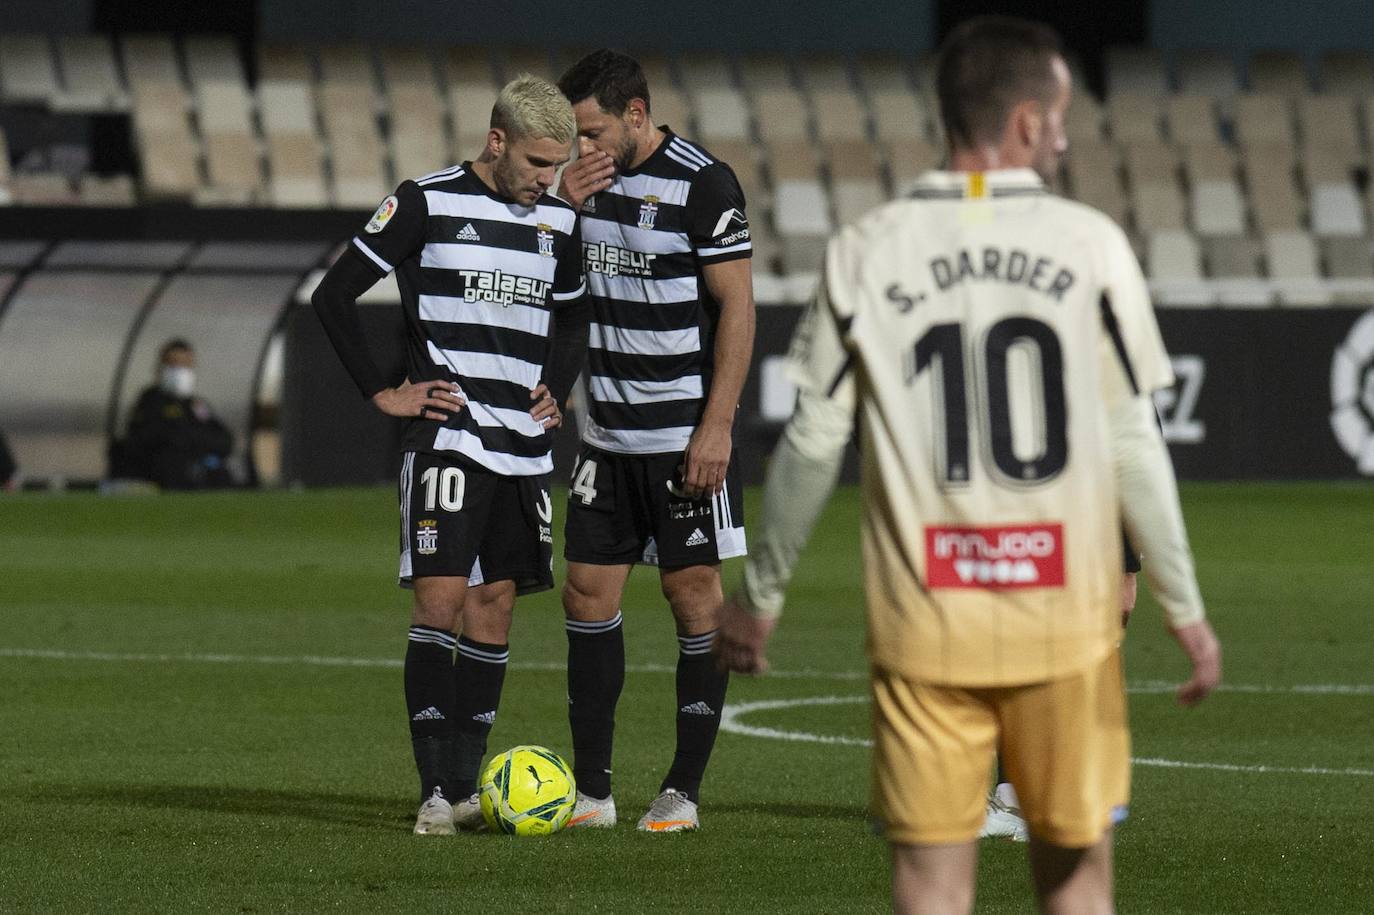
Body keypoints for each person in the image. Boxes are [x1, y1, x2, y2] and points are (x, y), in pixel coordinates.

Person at [715, 17, 1221, 914]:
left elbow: (812, 440)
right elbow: (1135, 442)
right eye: (1061, 115)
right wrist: (1182, 604)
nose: (1066, 135)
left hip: (925, 622)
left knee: (930, 883)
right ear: (1026, 121)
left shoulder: (865, 248)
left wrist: (761, 594)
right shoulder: (1090, 244)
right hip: (1065, 620)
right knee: (1076, 876)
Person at [310, 75, 588, 836]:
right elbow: (333, 296)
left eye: (557, 166)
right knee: (439, 600)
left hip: (522, 448)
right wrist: (383, 392)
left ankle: (467, 788)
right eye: (536, 162)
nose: (547, 180)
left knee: (495, 606)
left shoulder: (561, 223)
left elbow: (571, 321)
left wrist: (554, 389)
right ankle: (435, 792)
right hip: (449, 435)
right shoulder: (426, 202)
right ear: (496, 141)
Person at [552, 49, 756, 832]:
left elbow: (737, 307)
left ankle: (682, 789)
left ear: (636, 114)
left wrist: (718, 424)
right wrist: (562, 209)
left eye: (594, 131)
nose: (584, 148)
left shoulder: (704, 183)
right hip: (606, 435)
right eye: (576, 135)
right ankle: (594, 792)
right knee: (585, 593)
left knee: (691, 595)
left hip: (683, 436)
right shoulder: (581, 187)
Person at [113, 339, 234, 489]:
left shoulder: (196, 404)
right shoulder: (151, 401)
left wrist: (193, 441)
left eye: (186, 365)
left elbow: (223, 439)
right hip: (162, 475)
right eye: (174, 364)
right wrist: (190, 440)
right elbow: (149, 438)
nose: (180, 371)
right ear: (160, 368)